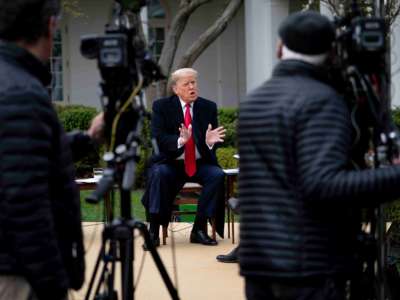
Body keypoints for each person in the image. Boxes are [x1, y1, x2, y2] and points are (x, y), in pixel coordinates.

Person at [238, 10, 400, 300]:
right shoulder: (322, 101)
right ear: (331, 51)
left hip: (259, 265)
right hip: (309, 267)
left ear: (279, 48)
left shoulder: (255, 100)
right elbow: (323, 184)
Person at [0, 1, 103, 299]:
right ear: (49, 26)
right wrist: (55, 283)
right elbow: (24, 207)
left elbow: (20, 161)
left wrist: (87, 137)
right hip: (17, 274)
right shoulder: (21, 93)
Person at [142, 68, 226, 247]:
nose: (192, 87)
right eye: (186, 84)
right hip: (171, 162)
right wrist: (180, 140)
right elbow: (158, 138)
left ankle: (199, 230)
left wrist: (210, 143)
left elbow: (213, 139)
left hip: (199, 163)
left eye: (194, 82)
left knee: (217, 175)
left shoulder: (208, 107)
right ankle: (153, 232)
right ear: (176, 89)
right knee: (159, 174)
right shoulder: (161, 106)